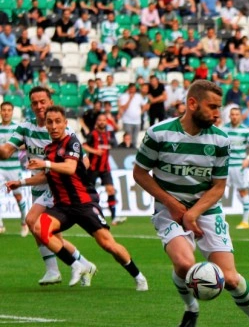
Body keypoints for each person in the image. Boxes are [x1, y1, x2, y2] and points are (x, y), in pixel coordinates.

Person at [133, 80, 249, 327]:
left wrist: (193, 213)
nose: (218, 114)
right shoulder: (159, 134)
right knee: (184, 264)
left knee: (230, 278)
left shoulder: (221, 139)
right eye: (212, 107)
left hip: (206, 209)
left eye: (220, 107)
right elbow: (139, 173)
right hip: (169, 210)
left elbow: (218, 187)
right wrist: (174, 205)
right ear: (192, 104)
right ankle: (191, 308)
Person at [5, 105, 148, 291]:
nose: (54, 126)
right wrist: (21, 183)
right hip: (63, 206)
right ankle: (77, 265)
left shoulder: (72, 142)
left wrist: (45, 163)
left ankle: (138, 276)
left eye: (58, 122)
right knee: (38, 227)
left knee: (108, 244)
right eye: (50, 122)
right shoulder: (49, 149)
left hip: (84, 204)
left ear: (65, 123)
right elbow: (48, 175)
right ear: (45, 126)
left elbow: (70, 167)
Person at [0, 87, 94, 286]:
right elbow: (6, 152)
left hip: (57, 187)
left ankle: (56, 270)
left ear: (50, 102)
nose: (39, 106)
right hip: (37, 185)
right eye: (35, 103)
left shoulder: (64, 130)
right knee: (47, 234)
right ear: (30, 106)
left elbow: (84, 162)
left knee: (35, 223)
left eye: (43, 101)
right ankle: (83, 264)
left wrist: (66, 173)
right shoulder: (25, 127)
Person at [82, 114, 126, 226]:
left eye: (104, 120)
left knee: (111, 190)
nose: (102, 122)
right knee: (89, 192)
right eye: (100, 120)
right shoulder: (93, 134)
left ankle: (114, 217)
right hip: (93, 168)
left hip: (105, 168)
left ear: (106, 122)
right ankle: (85, 214)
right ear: (97, 122)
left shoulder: (109, 134)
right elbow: (84, 146)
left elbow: (113, 143)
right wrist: (95, 151)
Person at [223, 107, 249, 230]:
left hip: (239, 166)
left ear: (240, 116)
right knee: (218, 192)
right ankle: (218, 219)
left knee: (242, 191)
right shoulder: (224, 129)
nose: (234, 116)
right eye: (232, 114)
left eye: (237, 114)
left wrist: (248, 159)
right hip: (225, 166)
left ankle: (245, 221)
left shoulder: (246, 130)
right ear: (229, 116)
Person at [0, 101, 30, 236]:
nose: (6, 112)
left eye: (8, 110)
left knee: (18, 197)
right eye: (4, 110)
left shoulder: (17, 128)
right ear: (0, 112)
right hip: (0, 166)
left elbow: (26, 144)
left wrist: (11, 147)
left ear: (12, 112)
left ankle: (24, 222)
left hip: (13, 167)